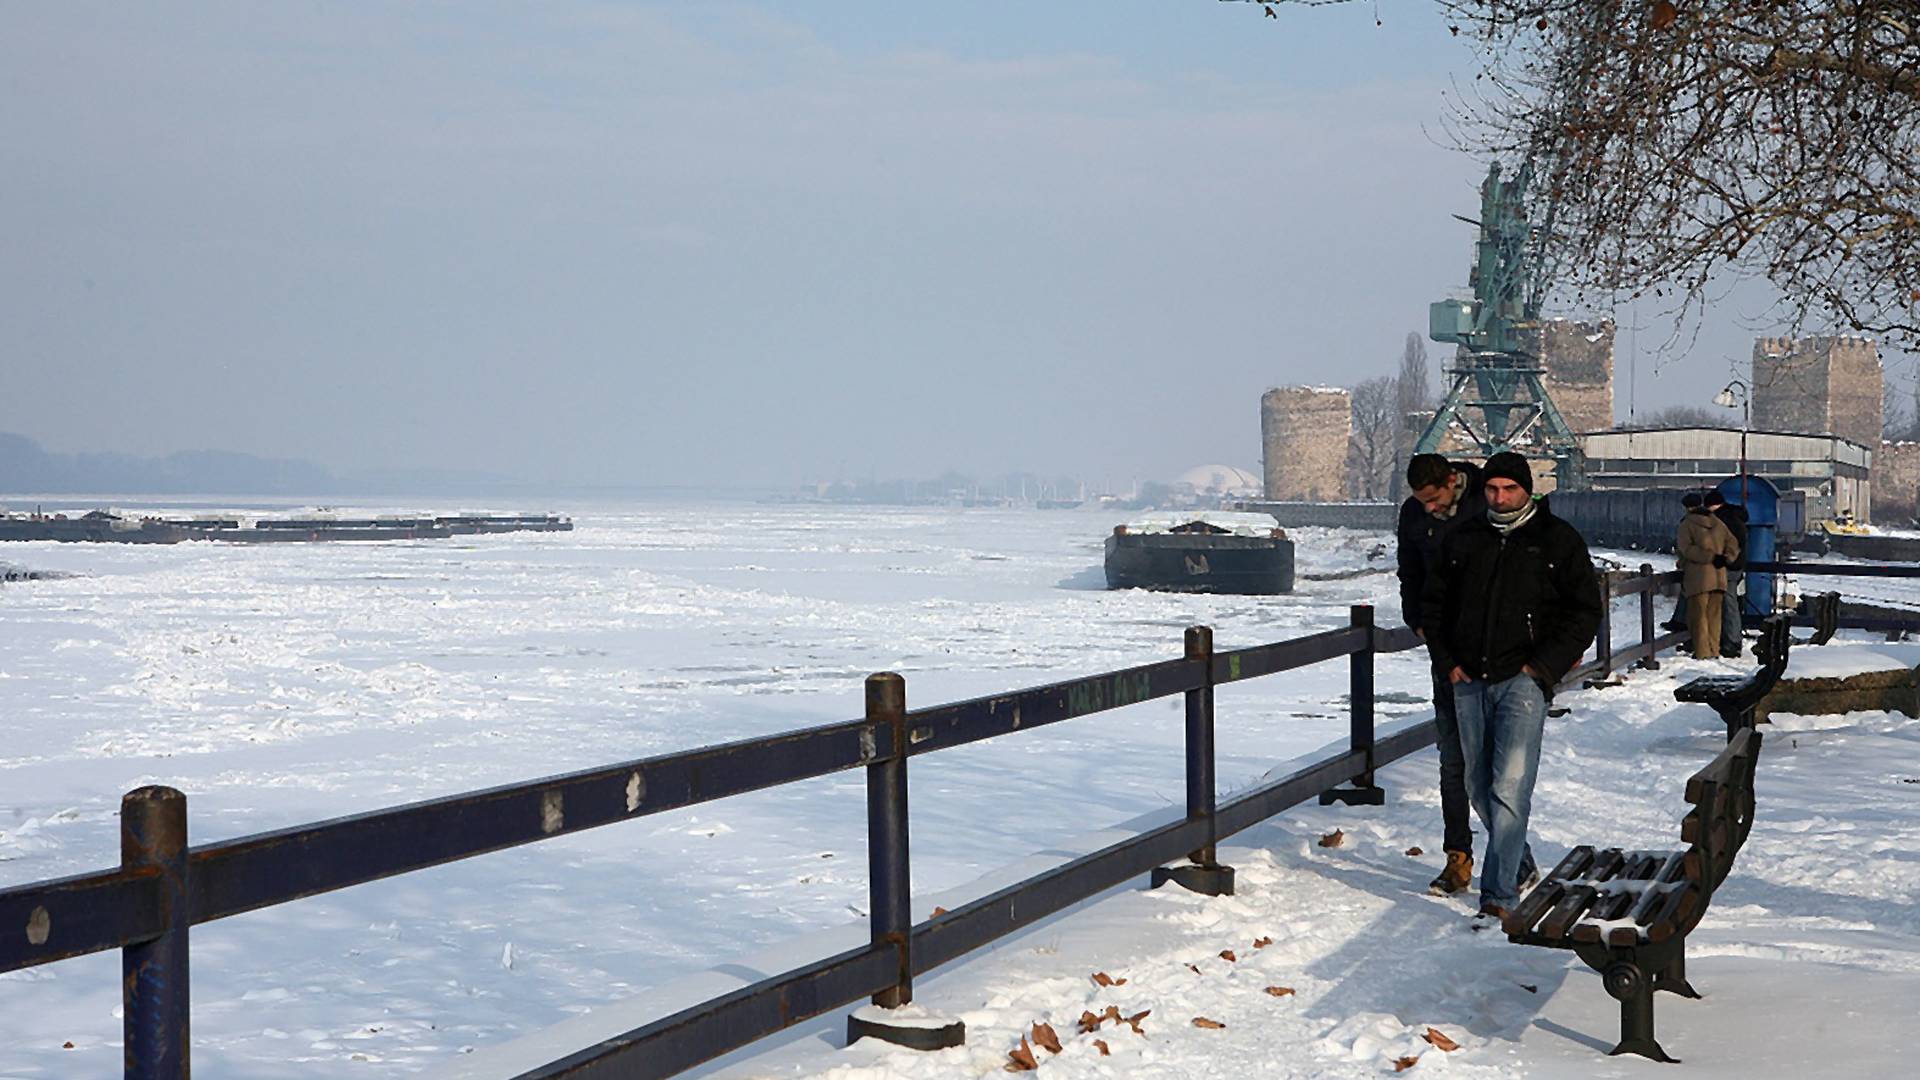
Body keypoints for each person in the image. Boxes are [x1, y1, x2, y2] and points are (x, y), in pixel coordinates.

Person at [1421, 452, 1601, 920]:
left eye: (1510, 490)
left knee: (1510, 787)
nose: (1500, 499)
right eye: (1493, 490)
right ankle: (1517, 865)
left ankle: (1498, 897)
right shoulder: (1463, 539)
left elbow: (1583, 612)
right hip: (1467, 680)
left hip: (1523, 680)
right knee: (1478, 786)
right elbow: (1433, 607)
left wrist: (1542, 668)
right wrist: (1448, 663)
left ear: (1528, 491)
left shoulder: (1557, 541)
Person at [1396, 453, 1485, 896]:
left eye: (1434, 498)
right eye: (1421, 501)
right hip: (1444, 651)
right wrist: (1417, 617)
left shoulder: (1488, 500)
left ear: (1453, 481)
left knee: (1492, 766)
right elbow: (1409, 569)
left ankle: (1513, 857)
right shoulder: (1414, 513)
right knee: (1453, 760)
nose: (1429, 508)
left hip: (1494, 652)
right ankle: (1458, 857)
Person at [1676, 491, 1739, 659]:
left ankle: (1703, 653)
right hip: (1719, 577)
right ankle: (1714, 650)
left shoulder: (1687, 524)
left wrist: (1709, 557)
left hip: (1699, 578)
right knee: (1714, 616)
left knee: (1698, 617)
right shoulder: (1717, 522)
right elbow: (1733, 543)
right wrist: (1725, 559)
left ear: (1688, 507)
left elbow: (1686, 549)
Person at [1705, 491, 1749, 658]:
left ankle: (1732, 641)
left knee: (1728, 603)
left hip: (1727, 567)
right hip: (1737, 566)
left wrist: (1721, 560)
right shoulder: (1735, 516)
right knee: (1729, 602)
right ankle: (1730, 639)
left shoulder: (1723, 520)